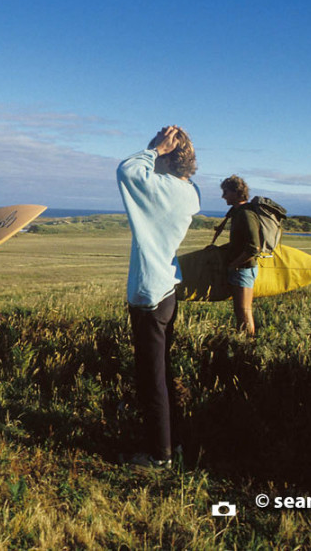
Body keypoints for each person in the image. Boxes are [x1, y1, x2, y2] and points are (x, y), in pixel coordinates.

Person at [117, 125, 201, 468]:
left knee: (151, 379)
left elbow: (127, 170)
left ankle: (159, 455)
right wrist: (166, 151)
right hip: (168, 289)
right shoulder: (190, 192)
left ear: (166, 154)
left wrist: (154, 148)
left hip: (150, 293)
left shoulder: (159, 188)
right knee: (162, 374)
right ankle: (172, 442)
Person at [213, 175, 260, 335]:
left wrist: (234, 264)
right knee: (240, 311)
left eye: (225, 192)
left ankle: (248, 347)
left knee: (244, 311)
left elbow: (254, 247)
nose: (223, 196)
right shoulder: (238, 212)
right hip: (241, 268)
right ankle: (244, 344)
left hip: (244, 269)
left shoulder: (246, 214)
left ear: (236, 192)